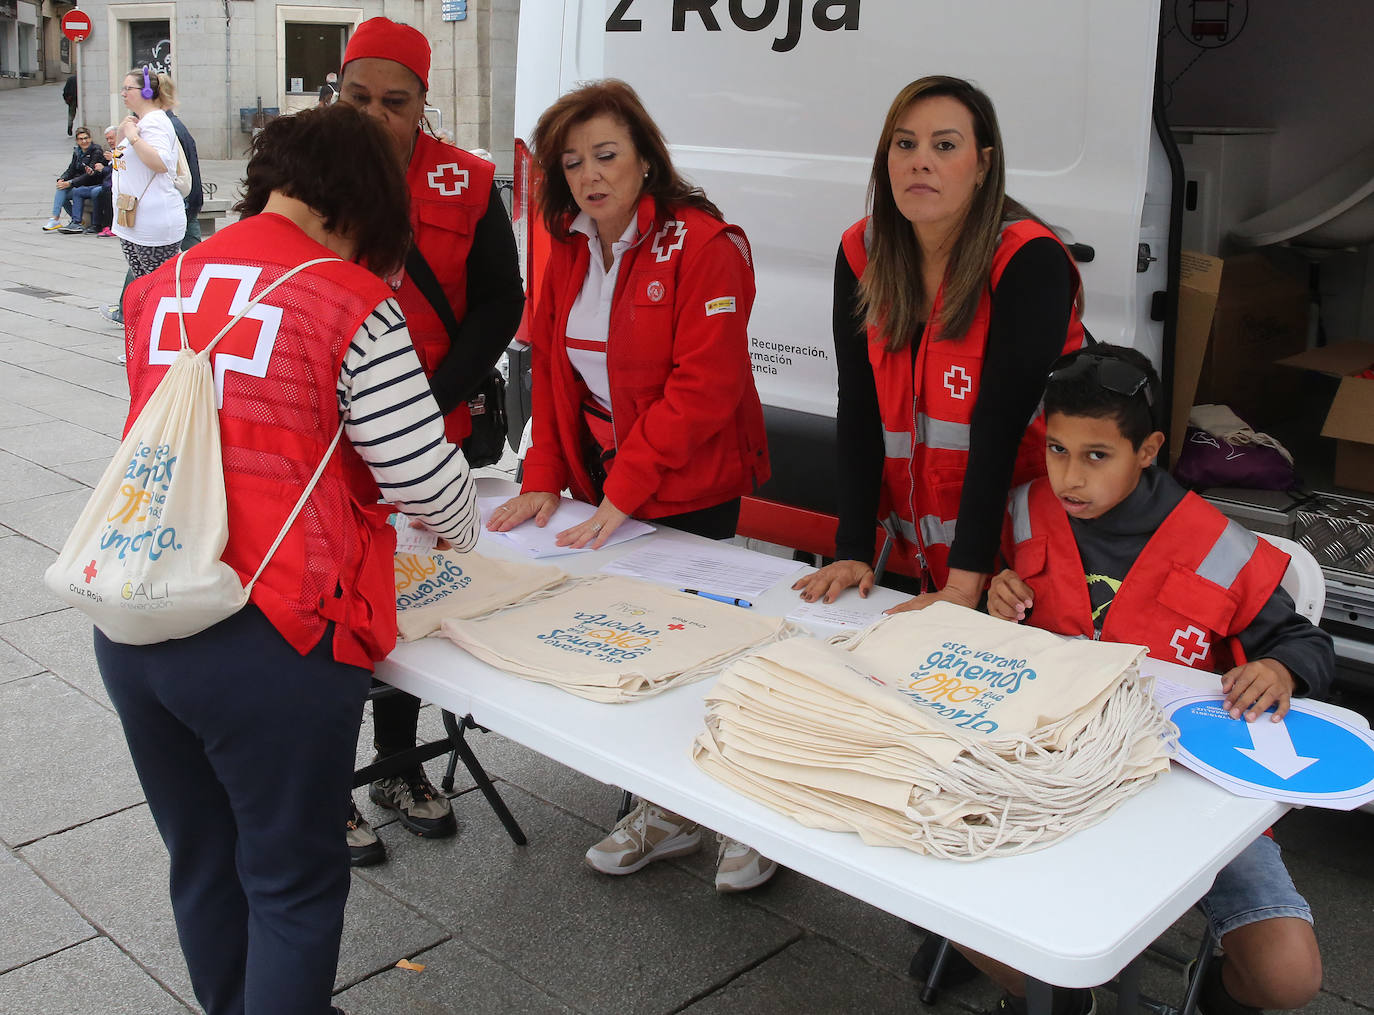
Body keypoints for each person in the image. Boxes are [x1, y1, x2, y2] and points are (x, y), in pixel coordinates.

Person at [95, 102, 480, 1015]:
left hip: (137, 610)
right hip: (268, 633)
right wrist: (467, 523)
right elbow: (430, 484)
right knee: (293, 882)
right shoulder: (350, 299)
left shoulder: (160, 285)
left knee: (205, 860)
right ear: (362, 209)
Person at [980, 344, 1330, 1015]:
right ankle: (1048, 999)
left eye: (1095, 454)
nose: (1068, 477)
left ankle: (1215, 994)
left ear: (1148, 450)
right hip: (1044, 771)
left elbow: (1305, 642)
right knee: (928, 890)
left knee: (1290, 979)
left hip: (1187, 788)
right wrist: (993, 595)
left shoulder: (1218, 543)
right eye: (1056, 449)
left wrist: (1279, 667)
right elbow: (983, 621)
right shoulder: (1023, 510)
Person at [488, 79, 774, 891]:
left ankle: (742, 812)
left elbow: (704, 387)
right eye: (572, 162)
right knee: (635, 648)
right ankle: (662, 807)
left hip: (689, 484)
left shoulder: (707, 244)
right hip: (608, 483)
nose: (590, 175)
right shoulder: (571, 244)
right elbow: (550, 370)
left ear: (646, 159)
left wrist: (625, 492)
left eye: (606, 155)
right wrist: (544, 473)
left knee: (706, 647)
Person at [335, 17, 525, 866]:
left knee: (406, 611)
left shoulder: (470, 181)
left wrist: (426, 399)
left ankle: (400, 766)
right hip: (324, 447)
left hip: (426, 432)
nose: (375, 116)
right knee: (328, 611)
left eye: (395, 102)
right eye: (357, 97)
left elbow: (500, 301)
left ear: (424, 103)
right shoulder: (308, 170)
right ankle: (321, 784)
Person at [793, 75, 1085, 615]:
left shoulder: (1026, 259)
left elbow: (1000, 430)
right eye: (904, 144)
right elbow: (859, 409)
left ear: (983, 166)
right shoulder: (863, 251)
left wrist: (964, 582)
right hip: (931, 546)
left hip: (1024, 552)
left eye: (944, 146)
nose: (919, 161)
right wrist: (854, 550)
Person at [101, 67, 186, 327]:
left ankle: (169, 347)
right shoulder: (139, 121)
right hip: (132, 220)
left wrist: (133, 137)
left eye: (129, 88)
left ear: (147, 92)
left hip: (153, 222)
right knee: (145, 290)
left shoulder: (157, 122)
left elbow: (161, 163)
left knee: (162, 292)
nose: (123, 93)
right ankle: (146, 349)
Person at [44, 126, 105, 231]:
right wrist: (62, 179)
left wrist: (70, 183)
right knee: (61, 190)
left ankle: (62, 219)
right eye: (81, 139)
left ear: (90, 138)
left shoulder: (96, 151)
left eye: (86, 138)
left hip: (90, 184)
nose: (84, 141)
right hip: (79, 184)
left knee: (67, 190)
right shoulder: (77, 152)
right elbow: (71, 169)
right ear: (77, 141)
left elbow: (90, 175)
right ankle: (67, 219)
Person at [95, 125, 118, 236]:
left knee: (106, 193)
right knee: (97, 193)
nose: (109, 141)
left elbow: (121, 168)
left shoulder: (122, 150)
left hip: (115, 185)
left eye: (111, 138)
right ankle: (98, 225)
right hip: (107, 184)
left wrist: (111, 161)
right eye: (107, 139)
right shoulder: (109, 152)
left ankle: (110, 226)